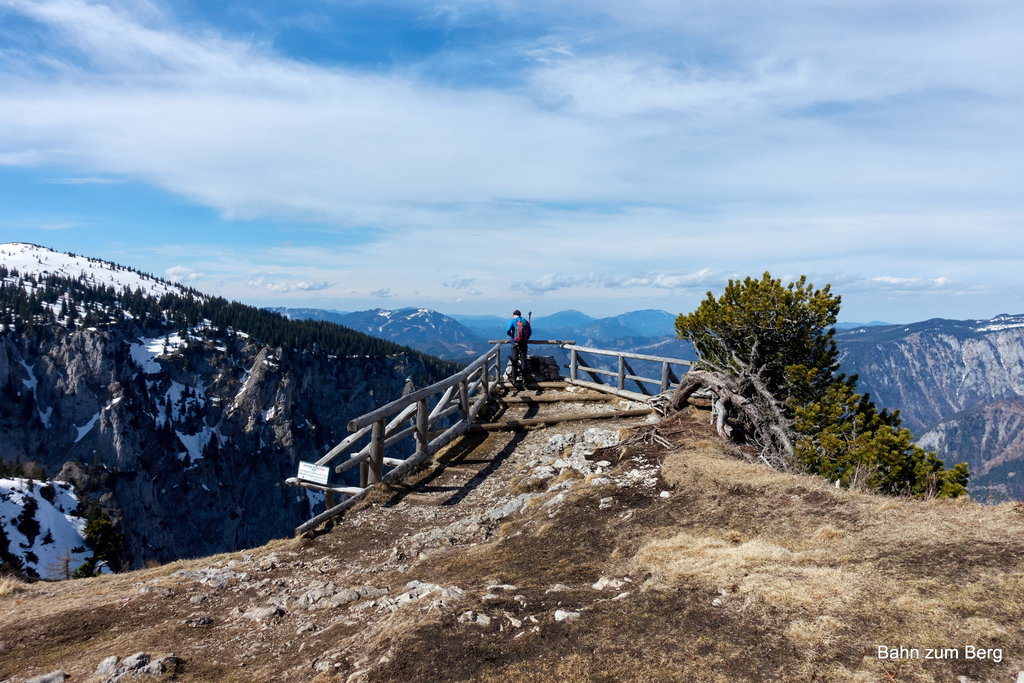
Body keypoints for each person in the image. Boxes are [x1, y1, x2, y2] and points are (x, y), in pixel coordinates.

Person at [505, 309, 532, 387]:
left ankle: (514, 379)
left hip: (515, 343)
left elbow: (507, 330)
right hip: (523, 343)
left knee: (514, 360)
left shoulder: (513, 321)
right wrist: (525, 339)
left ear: (514, 315)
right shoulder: (525, 322)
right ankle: (524, 379)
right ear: (520, 315)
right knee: (523, 360)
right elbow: (530, 332)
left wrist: (511, 336)